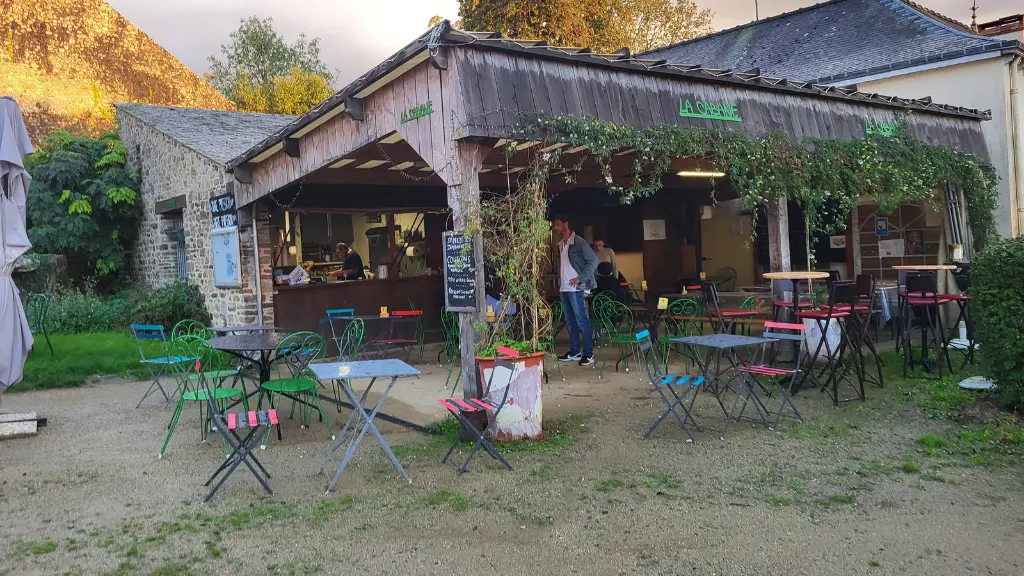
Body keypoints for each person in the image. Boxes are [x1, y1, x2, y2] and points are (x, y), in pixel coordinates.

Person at [552, 215, 598, 366]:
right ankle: (575, 351)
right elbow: (564, 264)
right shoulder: (561, 244)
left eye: (558, 224)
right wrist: (560, 277)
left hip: (576, 288)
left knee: (581, 321)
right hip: (564, 288)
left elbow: (593, 260)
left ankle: (589, 354)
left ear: (566, 224)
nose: (556, 228)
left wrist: (581, 278)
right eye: (555, 225)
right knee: (570, 321)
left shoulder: (578, 242)